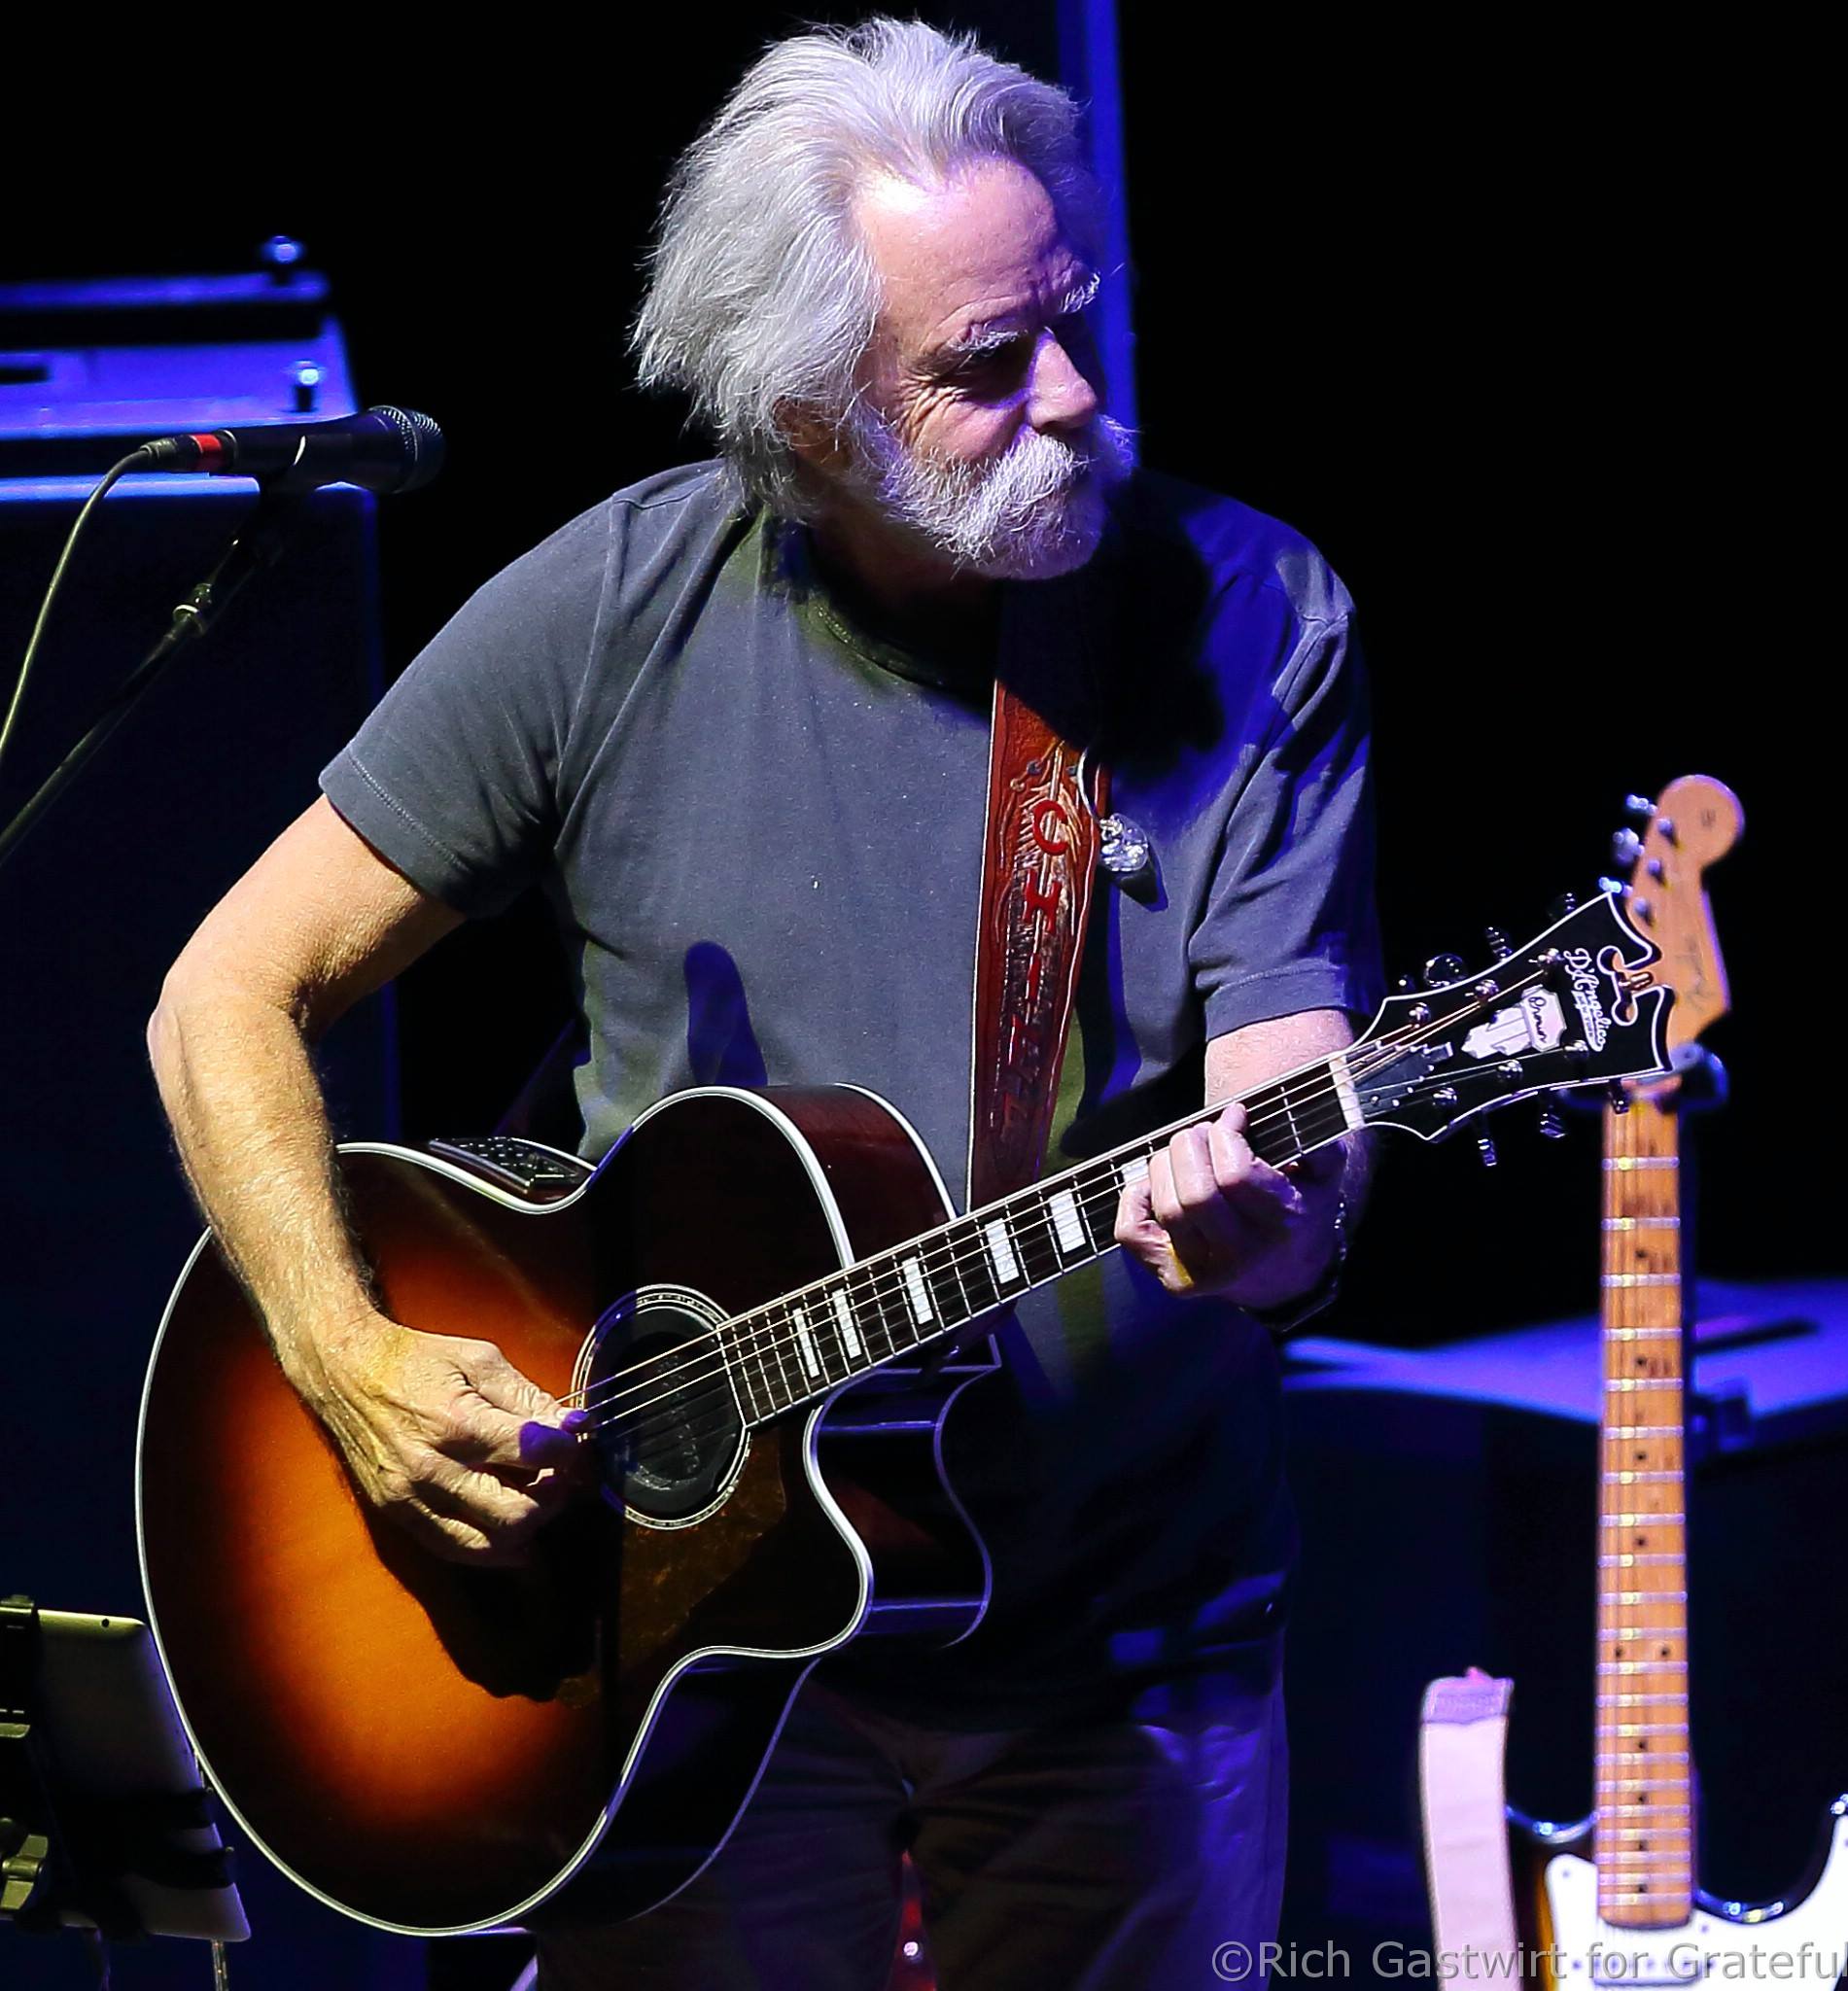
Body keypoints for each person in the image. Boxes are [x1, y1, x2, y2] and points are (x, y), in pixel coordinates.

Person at [146, 19, 1381, 1988]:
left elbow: (1287, 1075)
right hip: (677, 1650)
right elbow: (222, 992)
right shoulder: (609, 610)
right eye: (982, 366)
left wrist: (1271, 1208)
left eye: (1074, 318)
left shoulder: (1241, 610)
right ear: (807, 411)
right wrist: (345, 1353)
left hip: (1114, 1652)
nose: (1070, 394)